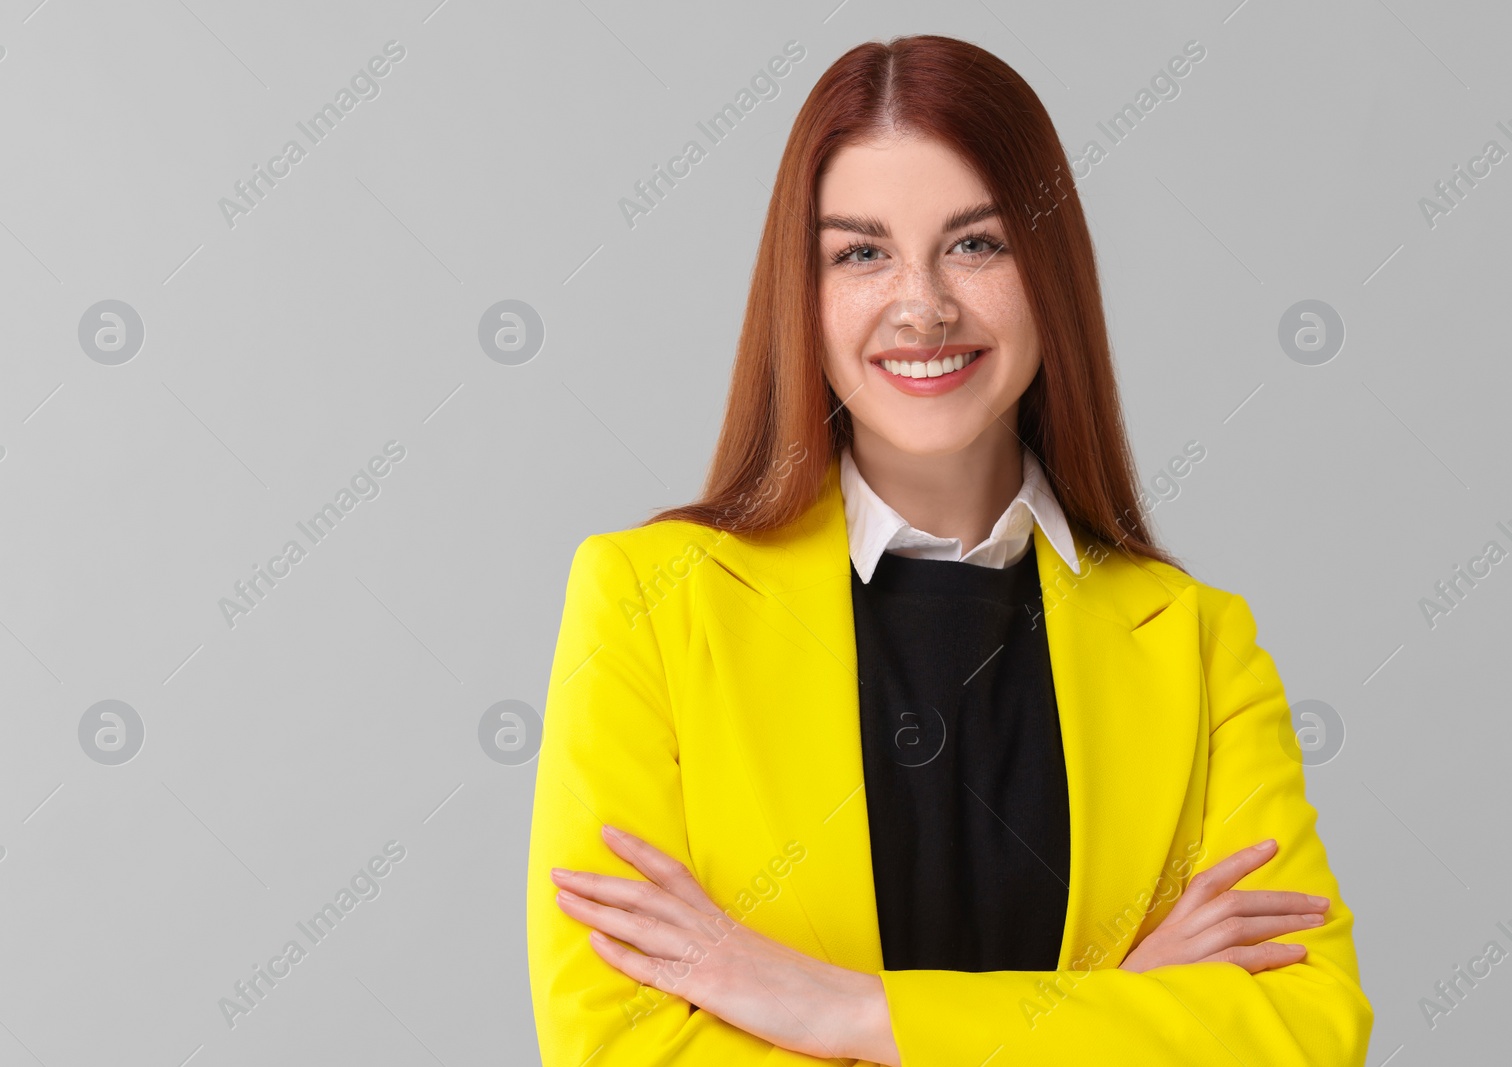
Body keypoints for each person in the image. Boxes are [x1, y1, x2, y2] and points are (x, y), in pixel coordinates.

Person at [525, 34, 1372, 1067]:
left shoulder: (1197, 643)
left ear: (1047, 268)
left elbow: (1305, 1034)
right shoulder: (648, 606)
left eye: (976, 244)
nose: (921, 303)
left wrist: (843, 1010)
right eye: (860, 252)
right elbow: (620, 1050)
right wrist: (1107, 1012)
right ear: (803, 291)